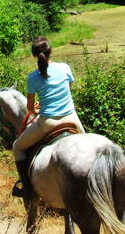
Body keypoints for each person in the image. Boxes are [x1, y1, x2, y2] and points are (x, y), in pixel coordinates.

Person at [11, 37, 85, 199]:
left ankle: (27, 189)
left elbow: (30, 108)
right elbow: (67, 92)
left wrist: (37, 110)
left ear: (33, 55)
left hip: (48, 122)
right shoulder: (65, 68)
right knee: (87, 147)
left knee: (18, 147)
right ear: (51, 51)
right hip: (71, 118)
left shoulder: (32, 77)